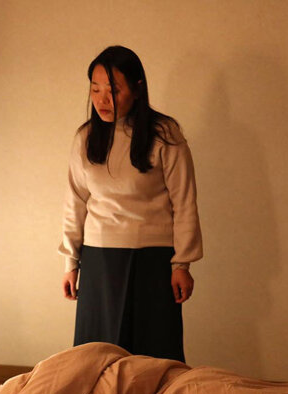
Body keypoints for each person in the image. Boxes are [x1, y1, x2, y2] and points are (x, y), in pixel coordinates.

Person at [58, 45, 202, 363]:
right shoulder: (86, 137)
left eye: (113, 90)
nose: (102, 99)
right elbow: (75, 202)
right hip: (98, 259)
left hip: (153, 259)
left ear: (137, 89)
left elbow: (184, 201)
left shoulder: (165, 134)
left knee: (153, 355)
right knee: (96, 357)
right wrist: (71, 263)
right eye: (95, 89)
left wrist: (182, 264)